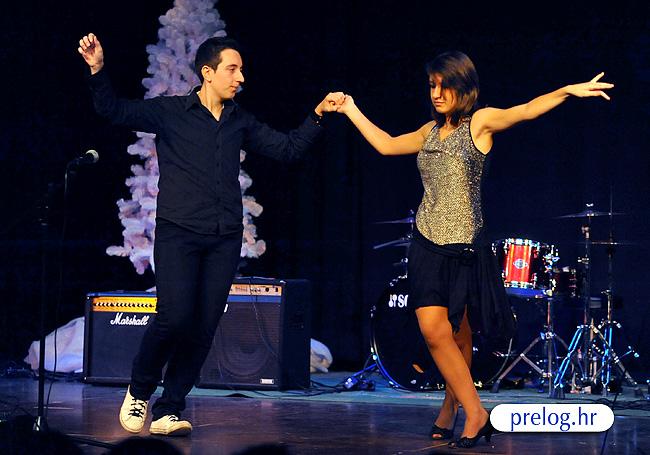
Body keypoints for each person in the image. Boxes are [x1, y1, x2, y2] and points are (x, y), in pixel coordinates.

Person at [336, 51, 613, 448]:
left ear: (463, 87)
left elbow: (525, 110)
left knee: (459, 333)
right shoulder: (429, 132)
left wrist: (566, 91)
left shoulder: (479, 124)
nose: (436, 93)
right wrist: (350, 108)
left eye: (444, 85)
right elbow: (387, 145)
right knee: (434, 332)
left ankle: (451, 409)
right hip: (426, 242)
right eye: (432, 86)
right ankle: (476, 411)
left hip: (465, 247)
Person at [77, 33, 344, 437]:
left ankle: (169, 409)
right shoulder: (171, 112)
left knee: (203, 327)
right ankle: (140, 389)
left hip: (223, 237)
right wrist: (97, 69)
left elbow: (287, 149)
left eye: (241, 70)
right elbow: (114, 110)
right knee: (173, 317)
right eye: (232, 69)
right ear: (208, 72)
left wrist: (318, 115)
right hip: (179, 232)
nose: (240, 78)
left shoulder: (240, 119)